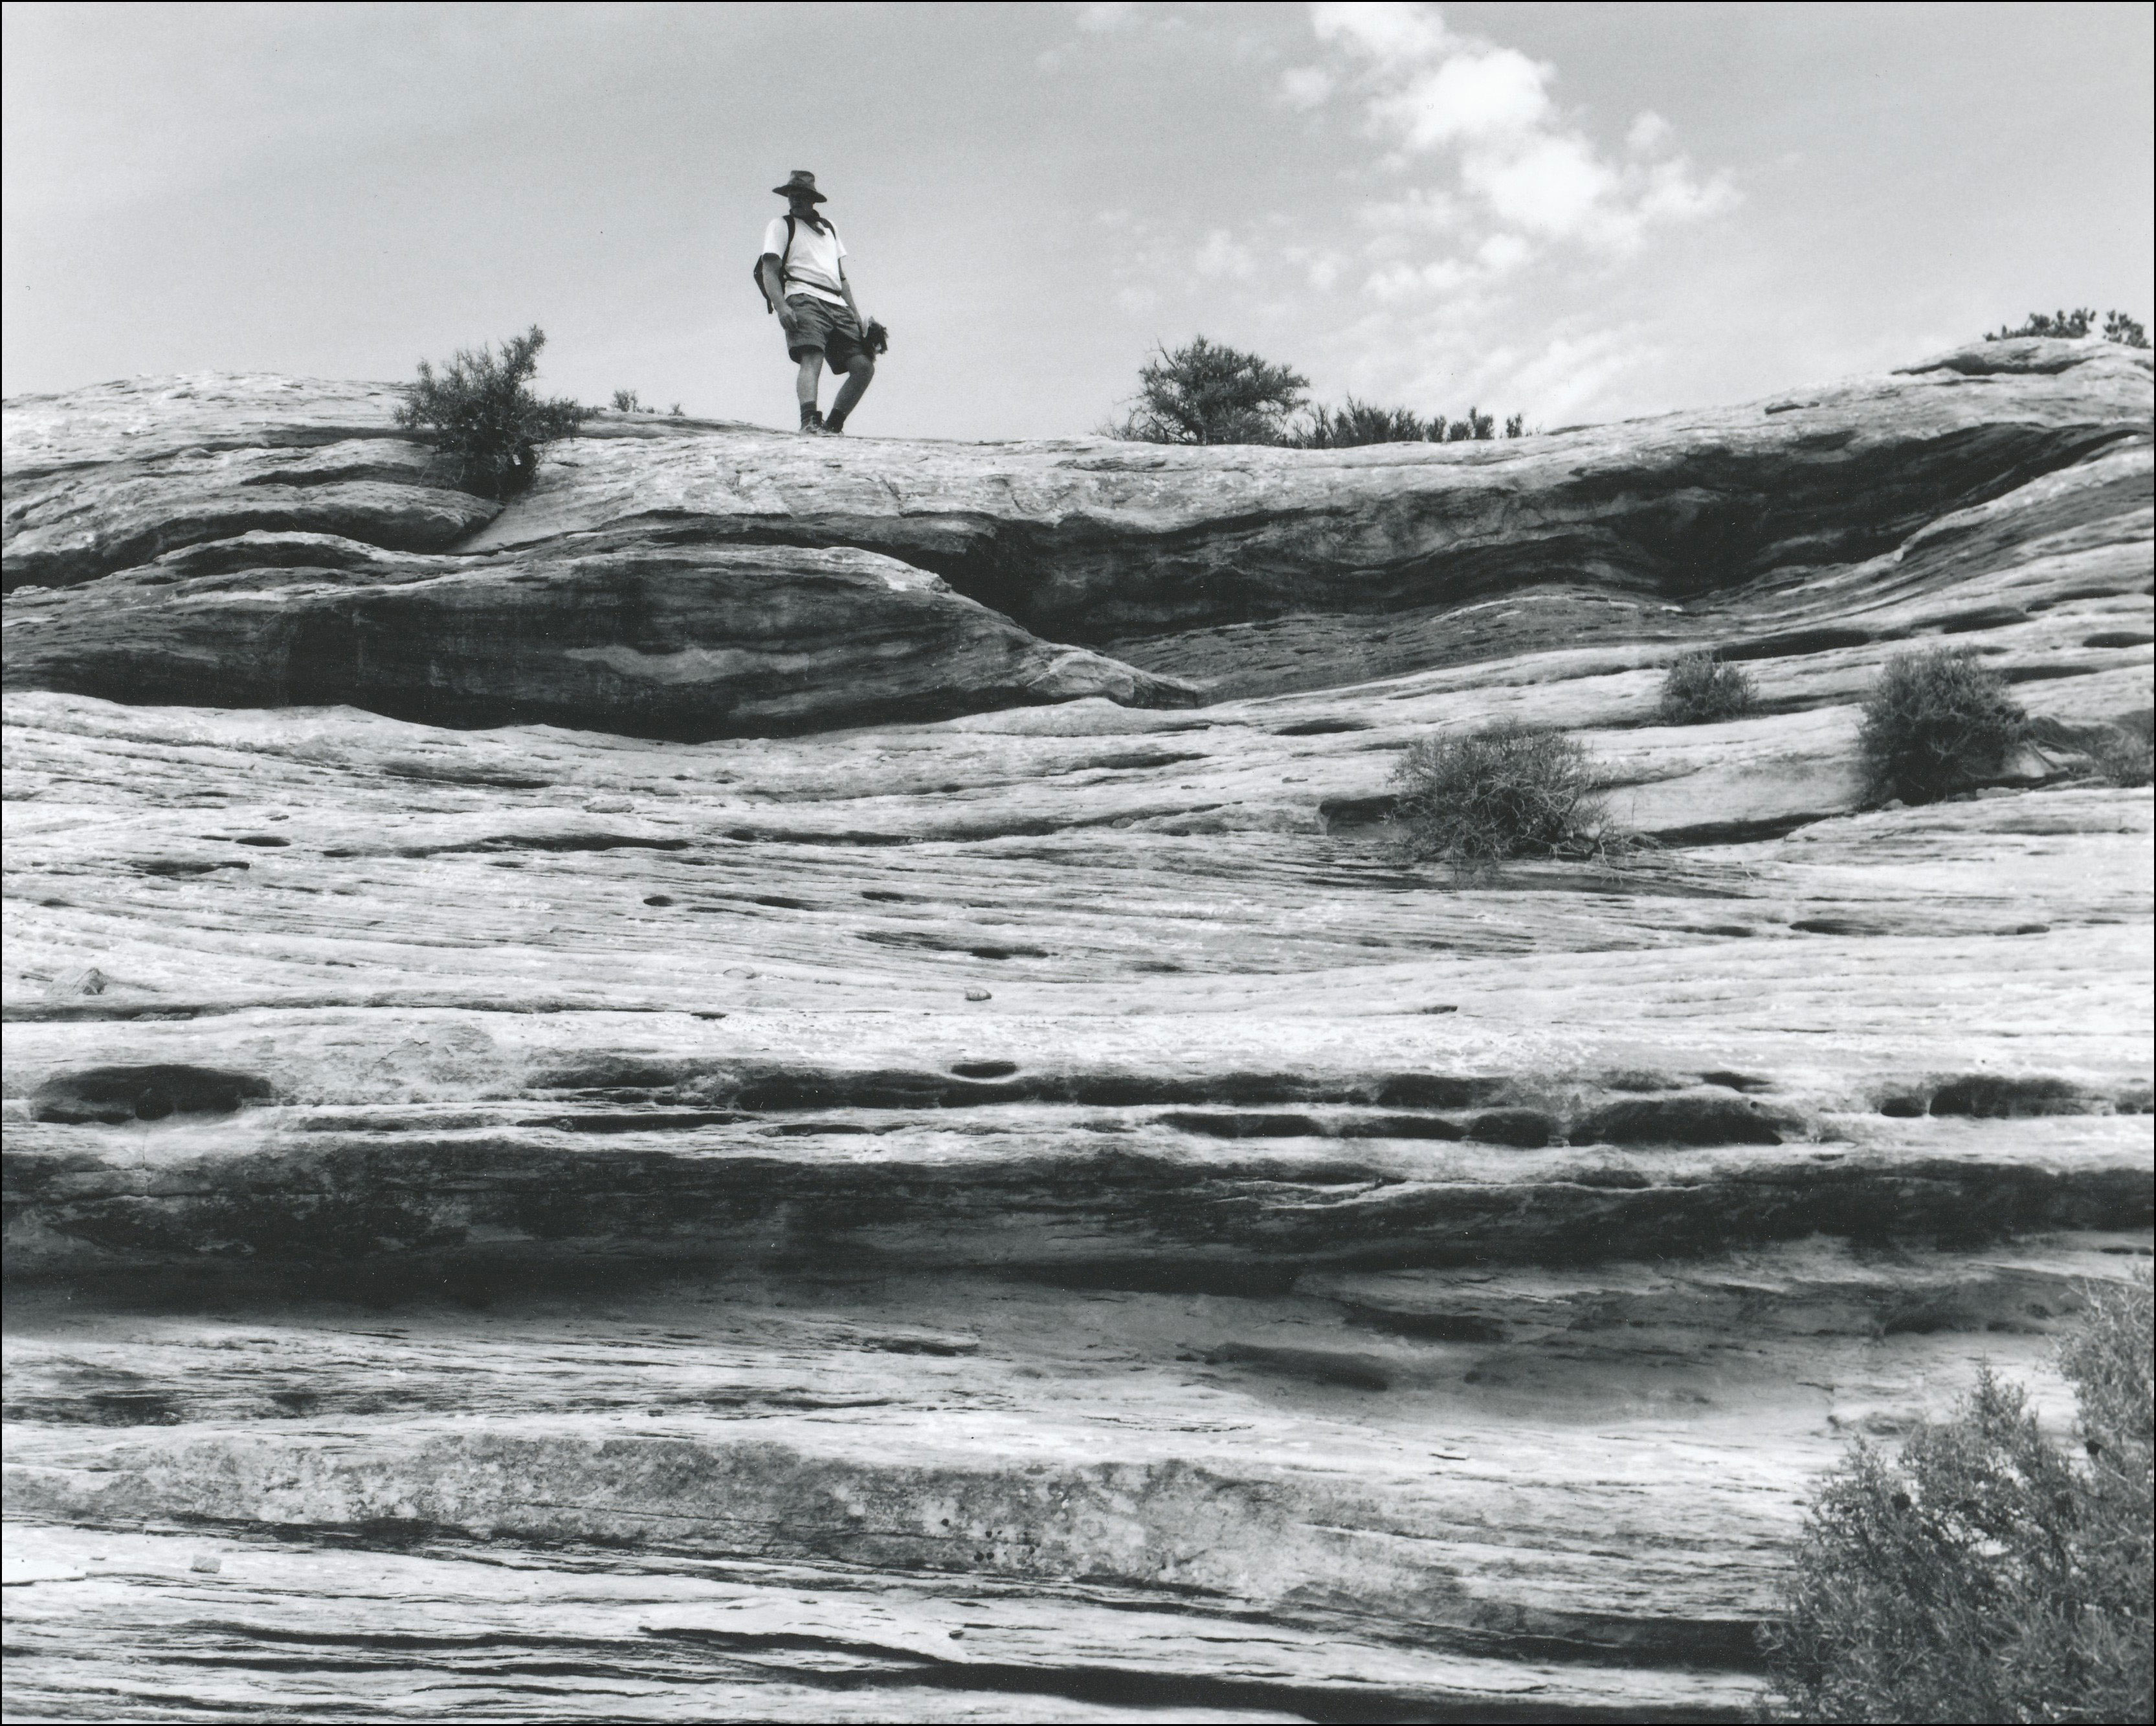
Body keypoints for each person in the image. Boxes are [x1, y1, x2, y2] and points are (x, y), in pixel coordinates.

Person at [758, 170, 875, 434]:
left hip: (837, 302)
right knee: (812, 356)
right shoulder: (781, 225)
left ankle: (833, 426)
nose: (795, 200)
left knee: (863, 366)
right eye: (792, 196)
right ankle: (809, 421)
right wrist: (782, 306)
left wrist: (856, 314)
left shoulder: (830, 228)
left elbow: (841, 276)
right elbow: (769, 270)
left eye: (801, 196)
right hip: (803, 295)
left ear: (812, 199)